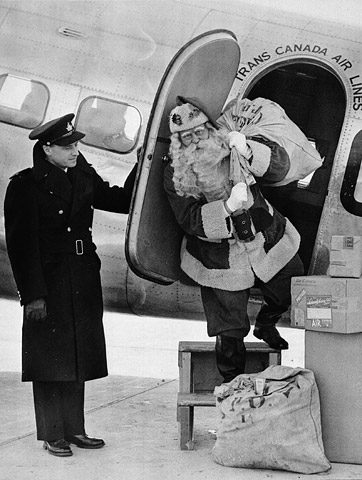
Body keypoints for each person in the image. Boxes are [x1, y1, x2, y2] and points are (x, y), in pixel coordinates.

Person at [4, 114, 137, 457]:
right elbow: (21, 247)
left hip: (81, 274)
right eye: (68, 146)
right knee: (50, 358)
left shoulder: (82, 174)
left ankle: (75, 430)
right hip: (48, 280)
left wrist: (144, 163)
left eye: (77, 143)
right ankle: (53, 434)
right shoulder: (25, 185)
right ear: (47, 149)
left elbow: (120, 200)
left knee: (76, 354)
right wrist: (32, 295)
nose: (76, 149)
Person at [164, 96, 304, 383]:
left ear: (209, 128)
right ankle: (232, 386)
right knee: (228, 327)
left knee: (290, 283)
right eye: (186, 137)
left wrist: (247, 147)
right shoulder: (174, 173)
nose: (196, 141)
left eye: (200, 132)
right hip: (219, 255)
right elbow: (189, 219)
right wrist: (226, 208)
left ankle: (266, 324)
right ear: (178, 142)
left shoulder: (230, 144)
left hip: (265, 238)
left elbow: (280, 168)